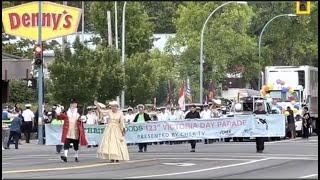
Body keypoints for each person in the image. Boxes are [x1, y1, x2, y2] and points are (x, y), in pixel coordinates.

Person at [56, 98, 88, 163]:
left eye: (74, 103)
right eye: (71, 104)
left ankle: (76, 156)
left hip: (76, 130)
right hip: (68, 130)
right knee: (66, 143)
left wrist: (83, 118)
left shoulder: (79, 111)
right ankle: (65, 156)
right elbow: (60, 117)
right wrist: (58, 114)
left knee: (76, 144)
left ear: (76, 104)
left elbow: (84, 119)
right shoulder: (66, 111)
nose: (72, 105)